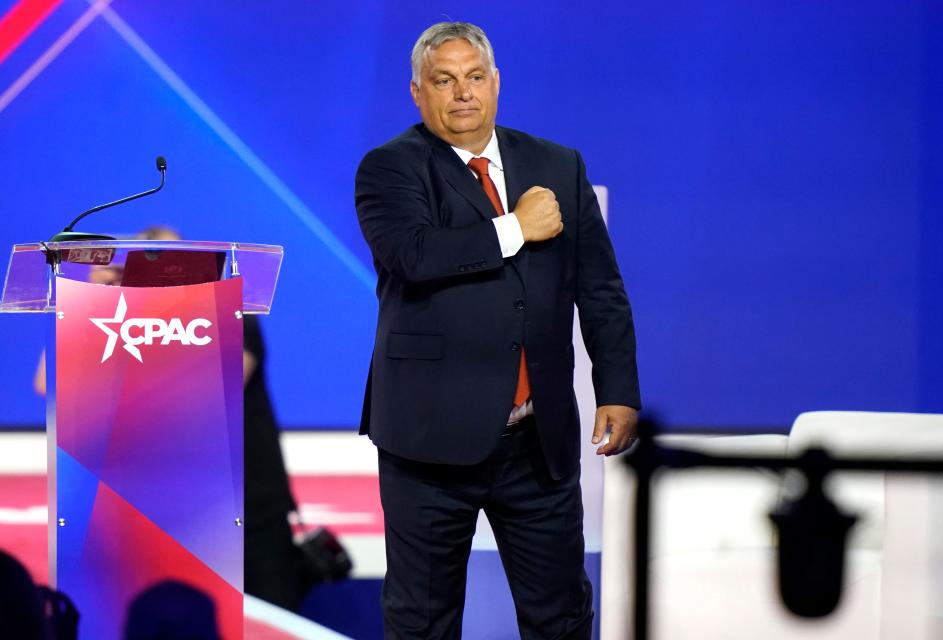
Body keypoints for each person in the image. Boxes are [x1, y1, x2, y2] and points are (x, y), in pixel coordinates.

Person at [355, 22, 641, 639]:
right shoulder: (390, 168)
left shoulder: (557, 164)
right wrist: (516, 227)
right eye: (444, 80)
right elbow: (414, 254)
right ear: (417, 93)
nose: (463, 94)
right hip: (428, 445)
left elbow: (599, 287)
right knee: (421, 624)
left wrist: (617, 387)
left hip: (537, 442)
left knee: (560, 619)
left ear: (496, 83)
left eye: (475, 77)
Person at [33, 226, 304, 610]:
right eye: (151, 264)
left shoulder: (229, 313)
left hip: (247, 502)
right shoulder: (116, 324)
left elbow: (219, 385)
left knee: (272, 614)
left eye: (178, 262)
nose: (167, 273)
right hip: (153, 509)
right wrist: (88, 306)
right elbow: (47, 383)